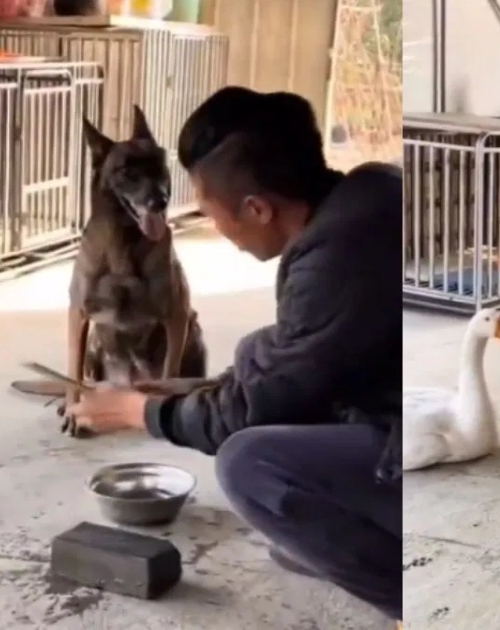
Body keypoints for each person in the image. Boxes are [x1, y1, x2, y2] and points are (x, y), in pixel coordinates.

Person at [67, 87, 403, 624]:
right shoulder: (368, 196)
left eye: (210, 212)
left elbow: (258, 406)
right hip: (394, 410)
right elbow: (304, 356)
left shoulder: (336, 256)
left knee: (252, 465)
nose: (215, 228)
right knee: (291, 506)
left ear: (257, 208)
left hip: (410, 449)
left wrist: (137, 412)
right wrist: (190, 388)